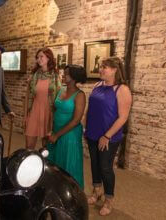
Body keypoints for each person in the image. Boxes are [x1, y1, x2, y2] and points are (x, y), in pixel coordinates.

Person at [85, 56, 132, 216]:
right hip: (92, 133)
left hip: (109, 136)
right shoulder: (98, 85)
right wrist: (85, 126)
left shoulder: (122, 90)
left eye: (104, 67)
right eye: (100, 66)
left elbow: (123, 117)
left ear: (114, 70)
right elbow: (91, 109)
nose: (100, 70)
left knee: (105, 167)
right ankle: (97, 190)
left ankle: (109, 199)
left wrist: (107, 136)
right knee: (95, 164)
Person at [47, 65, 87, 189]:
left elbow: (76, 120)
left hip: (70, 134)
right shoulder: (61, 89)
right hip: (56, 130)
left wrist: (57, 135)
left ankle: (71, 193)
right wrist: (51, 130)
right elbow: (54, 110)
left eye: (67, 74)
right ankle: (56, 189)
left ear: (74, 78)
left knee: (69, 163)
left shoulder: (80, 95)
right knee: (55, 163)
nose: (63, 75)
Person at [25, 48, 61, 149]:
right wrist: (25, 116)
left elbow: (59, 97)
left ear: (48, 58)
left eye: (41, 56)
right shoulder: (34, 76)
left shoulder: (55, 76)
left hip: (49, 112)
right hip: (34, 111)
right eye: (37, 57)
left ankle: (44, 164)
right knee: (29, 146)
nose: (38, 59)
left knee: (46, 148)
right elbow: (28, 97)